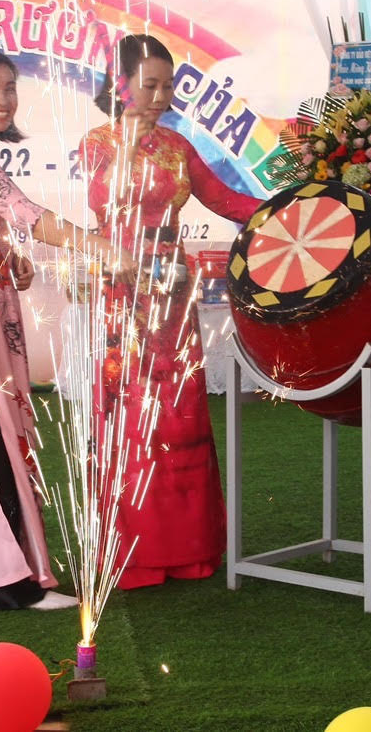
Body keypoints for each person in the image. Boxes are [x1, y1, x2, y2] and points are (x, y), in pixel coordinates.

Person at [0, 47, 135, 610]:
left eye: (9, 88)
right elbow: (23, 211)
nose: (3, 99)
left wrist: (7, 254)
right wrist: (99, 246)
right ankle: (6, 584)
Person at [81, 33, 263, 590]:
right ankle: (132, 552)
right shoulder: (98, 143)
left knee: (178, 412)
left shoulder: (178, 146)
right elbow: (104, 201)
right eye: (149, 85)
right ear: (121, 86)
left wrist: (295, 203)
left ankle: (188, 548)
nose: (161, 97)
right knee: (132, 413)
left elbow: (228, 200)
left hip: (173, 291)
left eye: (168, 86)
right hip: (121, 288)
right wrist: (132, 143)